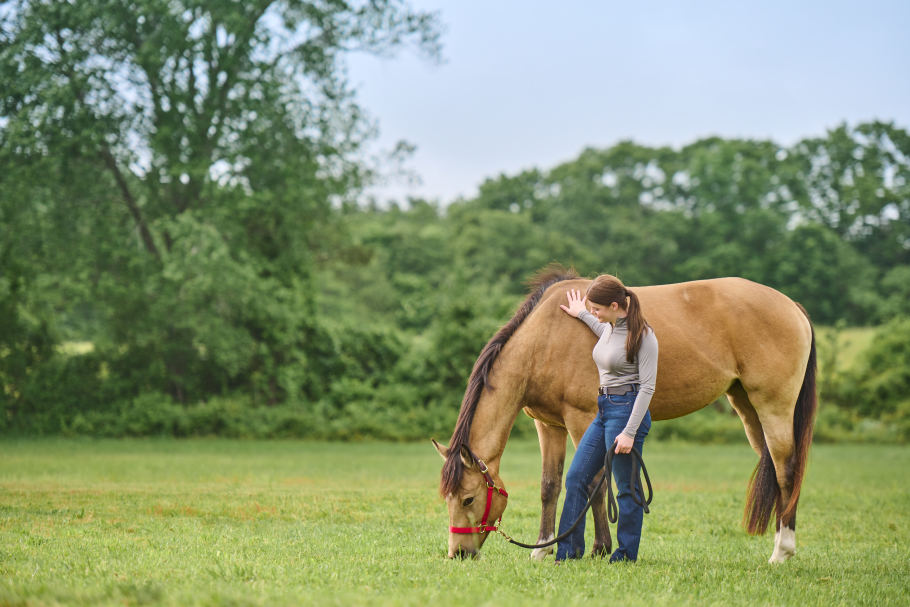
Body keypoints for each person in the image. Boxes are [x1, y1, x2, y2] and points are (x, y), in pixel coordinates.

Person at [555, 274, 658, 563]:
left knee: (626, 488)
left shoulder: (644, 337)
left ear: (615, 305)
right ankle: (568, 552)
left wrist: (628, 431)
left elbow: (648, 388)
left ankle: (625, 554)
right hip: (603, 410)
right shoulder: (610, 329)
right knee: (576, 478)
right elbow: (600, 328)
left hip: (627, 412)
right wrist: (583, 314)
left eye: (598, 308)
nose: (596, 313)